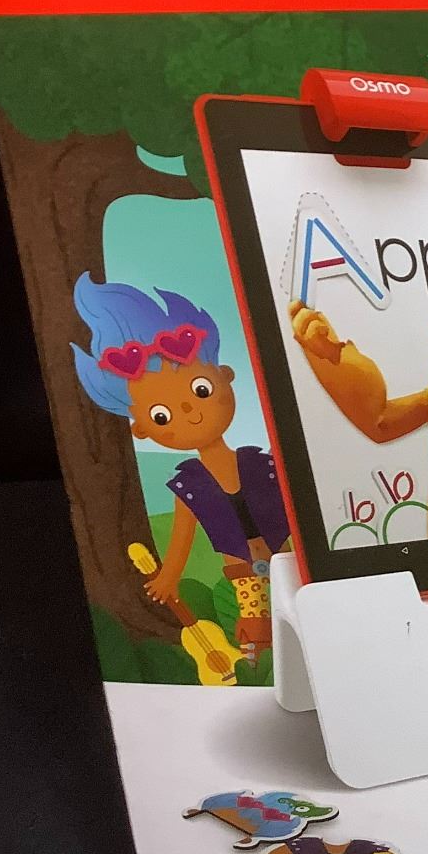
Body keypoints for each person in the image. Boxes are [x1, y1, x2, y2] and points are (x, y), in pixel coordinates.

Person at [71, 276, 290, 657]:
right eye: (161, 415)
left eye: (201, 390)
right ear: (141, 429)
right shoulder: (189, 486)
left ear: (226, 376)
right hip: (242, 573)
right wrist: (168, 577)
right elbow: (182, 537)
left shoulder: (261, 463)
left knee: (303, 611)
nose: (189, 410)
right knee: (256, 632)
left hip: (288, 559)